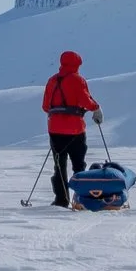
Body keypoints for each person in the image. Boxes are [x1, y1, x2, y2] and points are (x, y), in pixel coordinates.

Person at [41, 50, 98, 208]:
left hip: (55, 130)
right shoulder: (77, 80)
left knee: (59, 165)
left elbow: (46, 106)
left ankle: (61, 199)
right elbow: (85, 100)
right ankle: (80, 198)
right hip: (75, 129)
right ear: (77, 64)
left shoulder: (52, 80)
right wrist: (96, 109)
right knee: (78, 164)